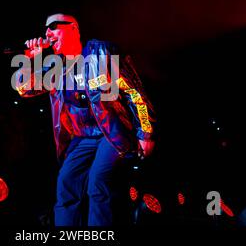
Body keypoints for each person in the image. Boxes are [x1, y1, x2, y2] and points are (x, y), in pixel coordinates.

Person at [13, 13, 156, 226]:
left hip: (111, 133)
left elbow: (134, 93)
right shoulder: (56, 67)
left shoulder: (102, 52)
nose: (47, 33)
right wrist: (30, 58)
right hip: (81, 138)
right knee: (66, 183)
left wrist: (146, 132)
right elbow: (24, 88)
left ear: (73, 28)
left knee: (98, 181)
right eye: (45, 29)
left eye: (53, 26)